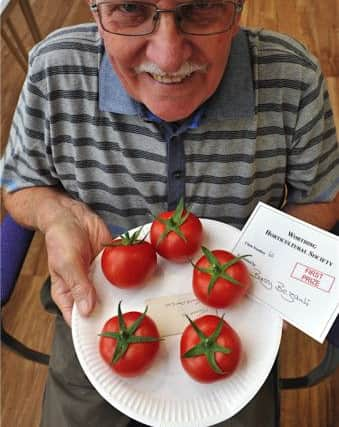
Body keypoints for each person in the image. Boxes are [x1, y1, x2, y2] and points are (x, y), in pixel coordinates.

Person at [1, 0, 338, 426]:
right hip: (96, 315)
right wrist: (56, 214)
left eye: (201, 8)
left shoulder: (294, 78)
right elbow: (21, 183)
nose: (168, 56)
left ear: (237, 12)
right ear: (95, 12)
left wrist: (274, 273)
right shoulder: (54, 70)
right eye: (129, 8)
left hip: (236, 323)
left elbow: (322, 196)